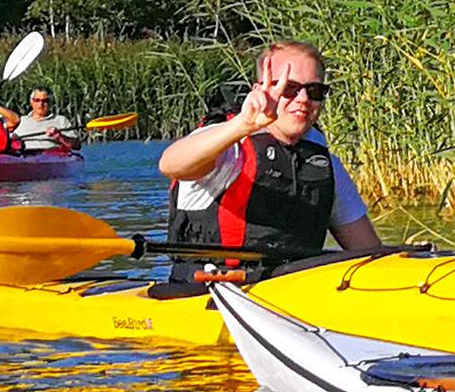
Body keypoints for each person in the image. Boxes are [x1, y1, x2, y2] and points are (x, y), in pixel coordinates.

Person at [158, 41, 382, 283]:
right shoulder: (229, 145)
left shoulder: (323, 161)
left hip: (291, 292)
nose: (303, 99)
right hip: (211, 292)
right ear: (260, 89)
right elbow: (171, 165)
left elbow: (369, 252)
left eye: (314, 91)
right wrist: (243, 125)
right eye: (289, 88)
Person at [0, 87, 81, 151]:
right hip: (22, 157)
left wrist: (60, 137)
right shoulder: (20, 120)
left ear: (50, 102)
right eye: (37, 100)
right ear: (31, 102)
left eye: (45, 101)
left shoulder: (61, 121)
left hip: (49, 157)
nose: (40, 104)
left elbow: (77, 145)